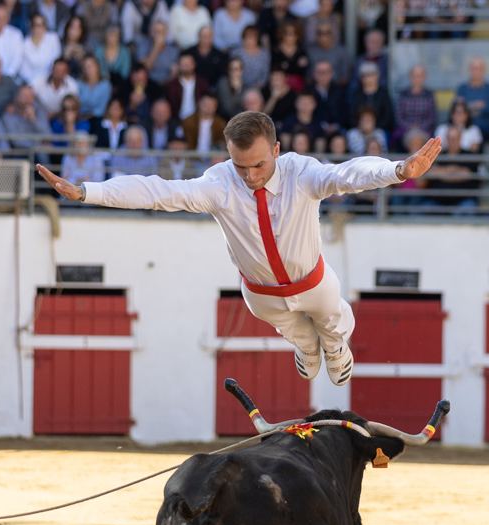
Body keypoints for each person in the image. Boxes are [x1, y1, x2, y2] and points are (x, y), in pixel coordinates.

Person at [36, 112, 442, 385]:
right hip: (261, 295)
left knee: (335, 319)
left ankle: (334, 345)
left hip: (313, 281)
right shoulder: (219, 182)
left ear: (277, 151)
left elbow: (346, 174)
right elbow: (159, 191)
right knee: (296, 333)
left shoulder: (301, 172)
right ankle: (306, 346)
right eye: (240, 165)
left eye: (259, 165)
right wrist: (88, 191)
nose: (249, 175)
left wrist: (398, 171)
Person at [455, 57, 489, 142]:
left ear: (484, 70)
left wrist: (467, 107)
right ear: (469, 70)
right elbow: (457, 108)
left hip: (483, 128)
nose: (476, 71)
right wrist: (477, 105)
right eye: (474, 68)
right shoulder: (462, 89)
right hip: (463, 126)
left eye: (479, 68)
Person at [346, 61, 393, 133]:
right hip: (359, 129)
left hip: (379, 129)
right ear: (361, 78)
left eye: (371, 74)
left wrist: (375, 127)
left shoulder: (383, 93)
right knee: (352, 134)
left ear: (377, 76)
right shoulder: (356, 94)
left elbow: (388, 115)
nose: (368, 78)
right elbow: (351, 115)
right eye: (365, 75)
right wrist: (361, 127)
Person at [394, 64, 436, 143]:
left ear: (424, 77)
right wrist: (410, 127)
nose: (417, 79)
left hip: (424, 129)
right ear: (410, 77)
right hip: (406, 130)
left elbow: (432, 117)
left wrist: (419, 127)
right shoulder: (403, 94)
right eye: (414, 76)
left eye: (419, 76)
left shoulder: (429, 95)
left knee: (418, 138)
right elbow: (399, 117)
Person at [20, 13, 62, 85]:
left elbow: (56, 61)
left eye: (40, 25)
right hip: (32, 82)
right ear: (31, 27)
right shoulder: (24, 44)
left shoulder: (53, 38)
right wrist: (36, 82)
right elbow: (24, 70)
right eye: (35, 25)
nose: (37, 28)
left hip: (51, 80)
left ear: (45, 27)